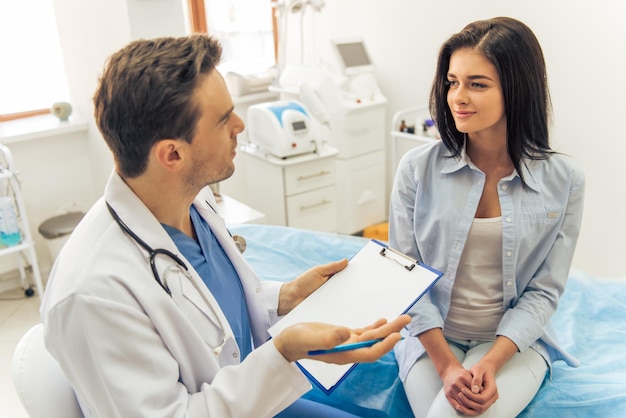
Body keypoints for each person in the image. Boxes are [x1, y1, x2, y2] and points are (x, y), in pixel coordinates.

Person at [40, 34, 410, 417]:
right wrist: (283, 353)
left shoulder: (193, 200)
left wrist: (285, 297)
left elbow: (208, 311)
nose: (240, 124)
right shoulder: (92, 294)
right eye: (223, 120)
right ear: (172, 154)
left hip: (243, 394)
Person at [389, 17, 585, 418]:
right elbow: (405, 280)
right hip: (430, 339)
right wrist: (446, 366)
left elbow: (544, 292)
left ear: (516, 90)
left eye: (477, 84)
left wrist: (490, 362)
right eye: (452, 81)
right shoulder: (416, 169)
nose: (458, 96)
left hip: (511, 344)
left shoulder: (565, 181)